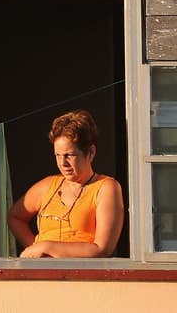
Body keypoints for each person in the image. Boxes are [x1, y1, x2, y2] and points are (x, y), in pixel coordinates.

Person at [7, 109, 124, 258]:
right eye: (58, 155)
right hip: (43, 275)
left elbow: (103, 248)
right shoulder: (47, 185)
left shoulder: (105, 187)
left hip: (82, 275)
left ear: (91, 152)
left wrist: (46, 247)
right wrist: (34, 248)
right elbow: (15, 216)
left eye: (70, 155)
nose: (63, 163)